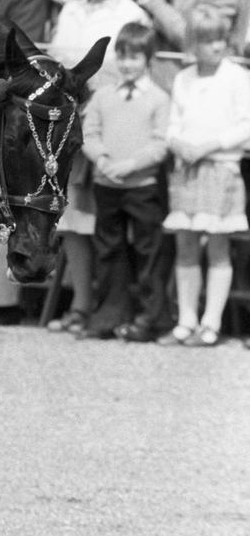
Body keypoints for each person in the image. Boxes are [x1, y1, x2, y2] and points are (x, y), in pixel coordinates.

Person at [47, 0, 150, 335]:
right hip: (69, 118)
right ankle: (81, 304)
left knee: (101, 218)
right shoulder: (71, 10)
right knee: (71, 217)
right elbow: (56, 57)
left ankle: (109, 305)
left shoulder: (131, 13)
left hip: (110, 124)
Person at [159, 4, 250, 346]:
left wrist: (209, 146)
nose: (216, 47)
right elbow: (172, 127)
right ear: (193, 44)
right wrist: (180, 145)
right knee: (185, 246)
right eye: (207, 41)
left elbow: (245, 126)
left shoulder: (238, 77)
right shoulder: (184, 78)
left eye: (221, 40)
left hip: (221, 169)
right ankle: (186, 320)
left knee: (218, 247)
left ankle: (211, 323)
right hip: (187, 170)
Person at [80, 22, 170, 341]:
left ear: (149, 59)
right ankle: (109, 315)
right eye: (122, 56)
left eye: (135, 57)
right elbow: (89, 134)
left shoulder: (159, 99)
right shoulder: (104, 96)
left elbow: (161, 143)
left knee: (149, 252)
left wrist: (131, 165)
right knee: (108, 251)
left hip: (142, 187)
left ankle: (151, 317)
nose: (128, 64)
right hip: (107, 185)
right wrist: (103, 160)